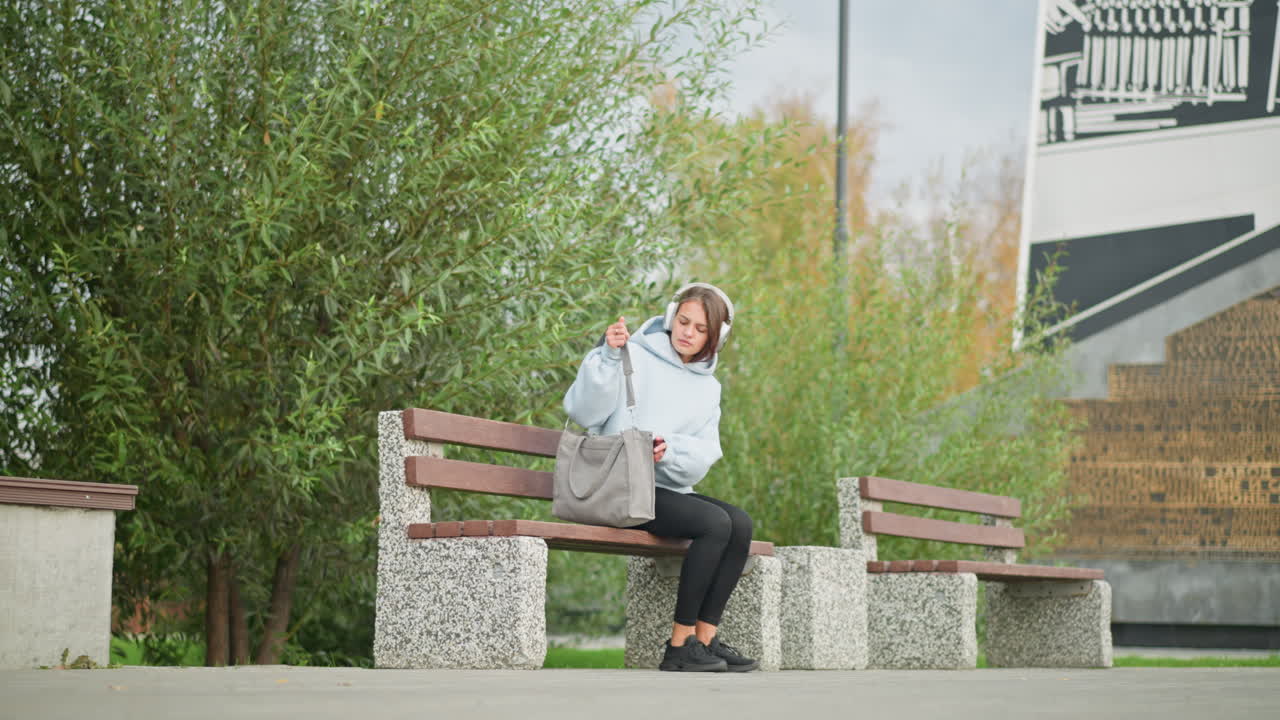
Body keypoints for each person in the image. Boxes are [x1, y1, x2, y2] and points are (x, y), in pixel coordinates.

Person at [563, 282, 757, 673]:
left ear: (717, 336)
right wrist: (606, 355)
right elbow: (584, 413)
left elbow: (702, 456)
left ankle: (704, 639)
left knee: (740, 523)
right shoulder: (632, 353)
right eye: (683, 321)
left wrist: (670, 452)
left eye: (701, 328)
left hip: (662, 488)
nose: (688, 332)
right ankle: (679, 645)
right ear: (671, 318)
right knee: (713, 523)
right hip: (615, 487)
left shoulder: (709, 388)